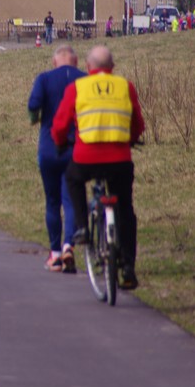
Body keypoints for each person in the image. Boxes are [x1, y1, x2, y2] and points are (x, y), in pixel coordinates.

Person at [51, 45, 145, 290]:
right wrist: (132, 139)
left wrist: (60, 143)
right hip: (119, 160)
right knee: (126, 209)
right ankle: (128, 268)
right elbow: (138, 123)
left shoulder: (78, 87)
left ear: (88, 67)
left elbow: (60, 124)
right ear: (112, 67)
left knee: (72, 179)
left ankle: (82, 227)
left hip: (86, 159)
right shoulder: (125, 86)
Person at [27, 45, 86, 273]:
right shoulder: (85, 80)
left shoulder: (44, 79)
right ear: (77, 61)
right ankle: (69, 245)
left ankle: (54, 255)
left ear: (54, 62)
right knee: (71, 200)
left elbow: (33, 106)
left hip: (49, 147)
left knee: (52, 201)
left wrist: (35, 118)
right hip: (76, 148)